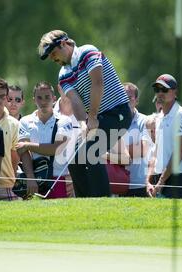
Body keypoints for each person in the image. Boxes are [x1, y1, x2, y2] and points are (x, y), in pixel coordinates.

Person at [38, 30, 132, 197]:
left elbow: (98, 83)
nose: (53, 59)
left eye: (53, 53)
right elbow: (76, 101)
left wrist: (93, 116)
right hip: (97, 117)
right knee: (75, 159)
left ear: (63, 44)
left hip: (118, 112)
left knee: (91, 152)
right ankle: (85, 202)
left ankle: (103, 200)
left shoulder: (87, 52)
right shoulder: (63, 73)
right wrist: (83, 123)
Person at [17, 81, 72, 199]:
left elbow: (56, 149)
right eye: (39, 98)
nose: (43, 101)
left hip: (58, 179)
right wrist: (30, 178)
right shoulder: (25, 121)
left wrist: (28, 145)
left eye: (47, 97)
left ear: (54, 98)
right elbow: (22, 152)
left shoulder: (64, 121)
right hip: (34, 179)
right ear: (33, 100)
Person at [145, 74, 182, 199]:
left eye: (165, 89)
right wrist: (148, 181)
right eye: (157, 90)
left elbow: (178, 154)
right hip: (159, 179)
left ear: (174, 92)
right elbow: (156, 154)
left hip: (177, 180)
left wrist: (161, 181)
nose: (160, 93)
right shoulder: (159, 118)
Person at [122, 82, 151, 197]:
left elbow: (143, 149)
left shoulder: (145, 121)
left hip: (139, 184)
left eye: (129, 98)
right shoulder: (113, 120)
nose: (125, 102)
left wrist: (113, 153)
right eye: (122, 98)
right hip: (116, 183)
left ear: (136, 101)